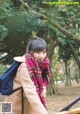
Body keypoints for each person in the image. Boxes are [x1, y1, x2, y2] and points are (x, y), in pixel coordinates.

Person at [4, 37, 51, 114]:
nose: (42, 56)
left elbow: (41, 83)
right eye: (38, 52)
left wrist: (43, 89)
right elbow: (31, 92)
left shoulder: (41, 65)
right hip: (12, 102)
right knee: (4, 113)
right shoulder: (25, 66)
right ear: (31, 52)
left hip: (23, 102)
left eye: (44, 52)